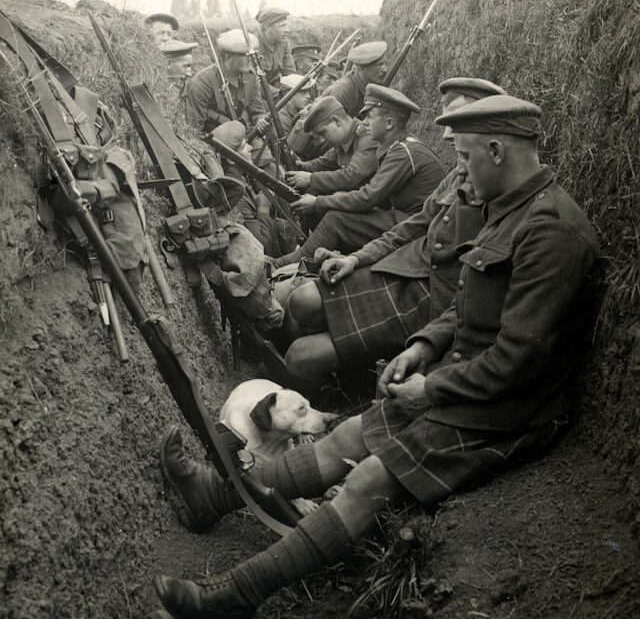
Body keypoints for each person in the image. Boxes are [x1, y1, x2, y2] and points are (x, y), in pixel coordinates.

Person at [153, 95, 599, 619]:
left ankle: (233, 596)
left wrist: (430, 388)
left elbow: (520, 360)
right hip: (468, 377)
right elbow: (467, 304)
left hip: (510, 407)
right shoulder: (507, 208)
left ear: (498, 151)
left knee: (367, 479)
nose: (459, 171)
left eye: (466, 156)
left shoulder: (550, 233)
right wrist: (423, 346)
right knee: (345, 435)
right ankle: (213, 495)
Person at [280, 78, 505, 383]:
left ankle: (341, 375)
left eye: (457, 126)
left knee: (301, 350)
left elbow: (370, 195)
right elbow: (418, 224)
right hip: (408, 264)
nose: (447, 135)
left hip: (429, 295)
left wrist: (318, 199)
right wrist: (357, 259)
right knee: (301, 303)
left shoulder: (408, 154)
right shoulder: (455, 174)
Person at [271, 85, 444, 267]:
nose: (364, 122)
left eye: (370, 116)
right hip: (411, 218)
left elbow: (367, 196)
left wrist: (318, 202)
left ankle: (285, 264)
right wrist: (300, 168)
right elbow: (328, 163)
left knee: (335, 219)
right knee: (335, 211)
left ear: (389, 124)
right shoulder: (397, 147)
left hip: (419, 225)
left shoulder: (402, 152)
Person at [211, 121, 299, 257]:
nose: (250, 147)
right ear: (231, 160)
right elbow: (262, 247)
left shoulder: (240, 179)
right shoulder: (235, 196)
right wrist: (263, 208)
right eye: (243, 146)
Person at [185, 29, 271, 167]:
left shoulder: (251, 76)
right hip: (217, 144)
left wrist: (260, 120)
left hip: (246, 137)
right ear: (227, 57)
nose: (250, 59)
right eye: (243, 55)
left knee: (268, 167)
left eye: (251, 54)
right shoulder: (202, 83)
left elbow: (257, 110)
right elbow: (194, 130)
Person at [284, 94, 378, 198]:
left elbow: (352, 175)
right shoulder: (344, 140)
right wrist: (300, 165)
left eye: (323, 133)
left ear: (336, 121)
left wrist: (311, 178)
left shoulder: (366, 136)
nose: (322, 139)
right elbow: (324, 162)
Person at [324, 40, 388, 117]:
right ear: (362, 68)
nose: (385, 69)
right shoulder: (342, 91)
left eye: (385, 63)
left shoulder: (373, 86)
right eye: (379, 65)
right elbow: (331, 125)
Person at [255, 7, 296, 87]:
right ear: (267, 28)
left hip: (278, 88)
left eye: (286, 25)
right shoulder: (255, 45)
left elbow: (290, 72)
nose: (287, 30)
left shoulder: (284, 42)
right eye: (282, 26)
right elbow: (254, 84)